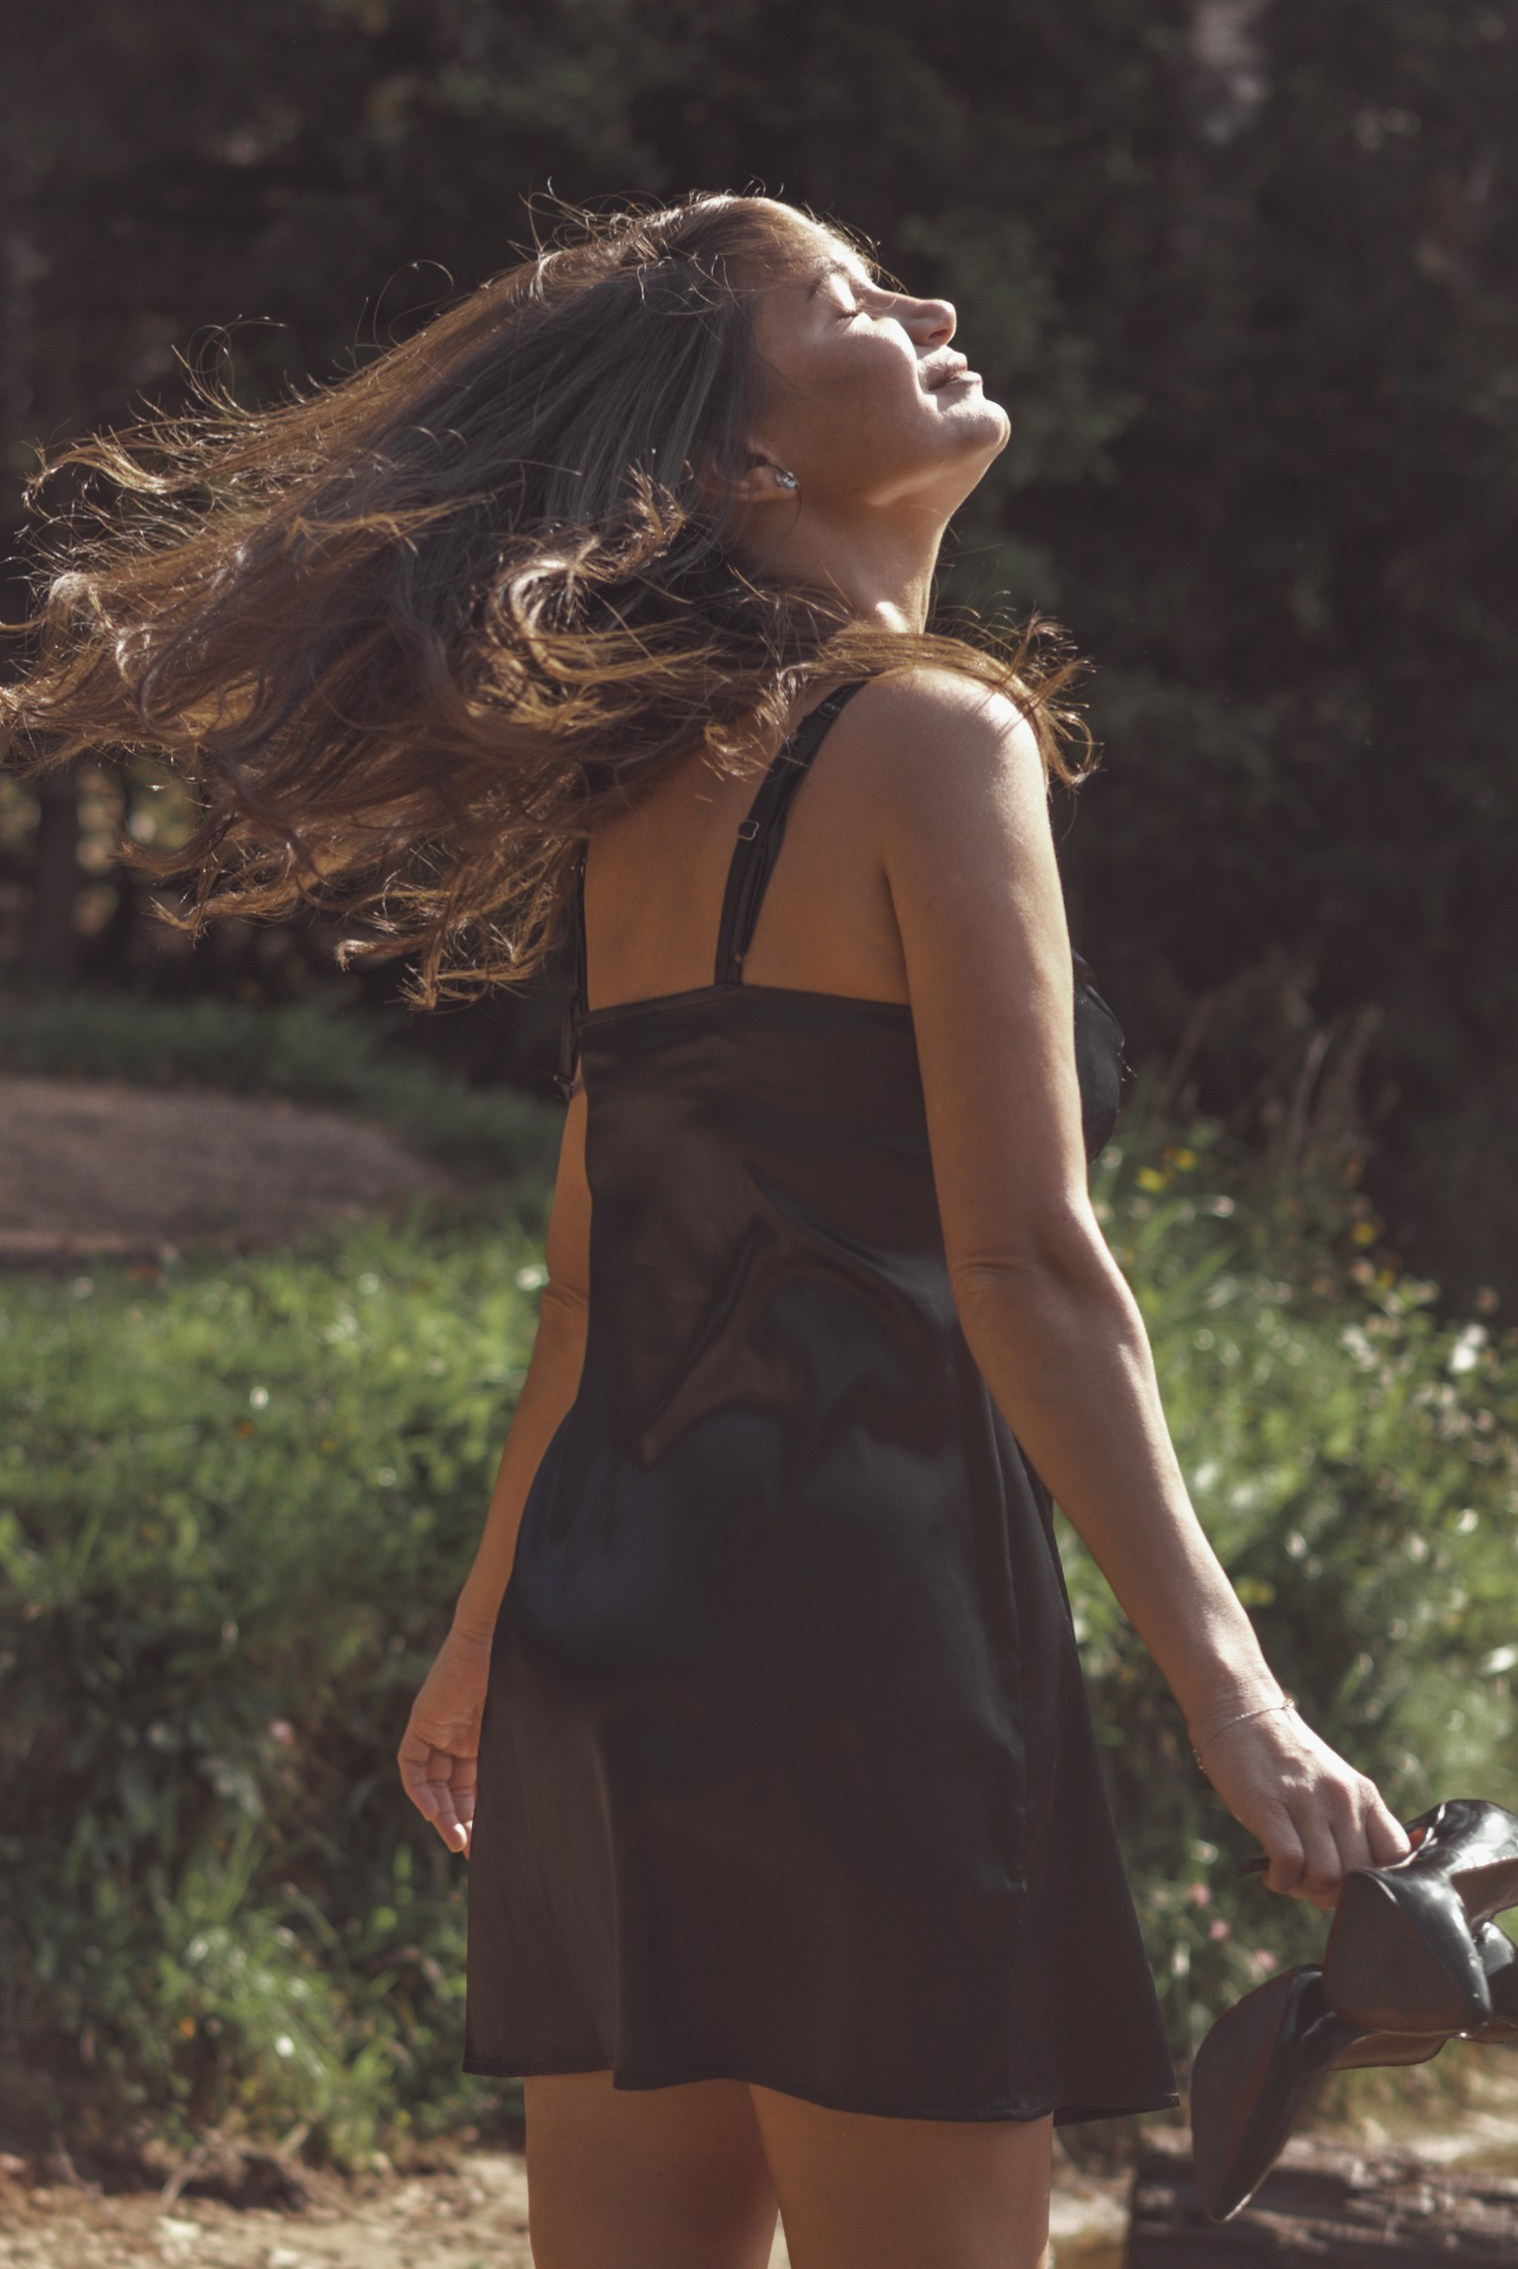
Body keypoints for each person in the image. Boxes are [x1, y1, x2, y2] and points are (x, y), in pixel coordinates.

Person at [4, 192, 1410, 2269]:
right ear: (746, 457)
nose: (928, 300)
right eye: (847, 297)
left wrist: (487, 1635)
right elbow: (1025, 1262)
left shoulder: (646, 790)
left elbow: (594, 1282)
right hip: (875, 1635)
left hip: (613, 1628)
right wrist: (1240, 1697)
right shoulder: (939, 737)